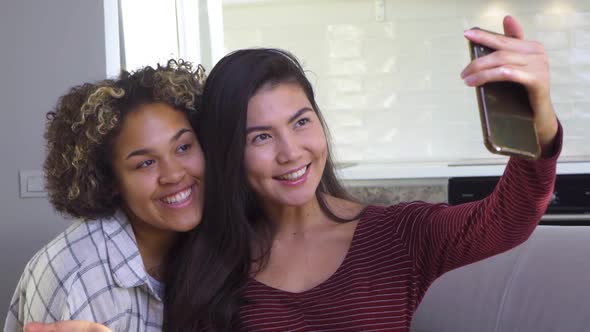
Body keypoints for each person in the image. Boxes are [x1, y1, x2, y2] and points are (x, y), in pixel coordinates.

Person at [22, 15, 562, 332]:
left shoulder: (398, 235)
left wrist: (535, 122)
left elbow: (510, 219)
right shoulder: (206, 255)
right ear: (230, 151)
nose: (291, 152)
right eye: (261, 136)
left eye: (301, 122)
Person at [4, 60, 207, 331]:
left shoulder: (216, 241)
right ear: (110, 180)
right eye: (145, 163)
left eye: (183, 147)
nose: (173, 174)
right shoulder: (78, 278)